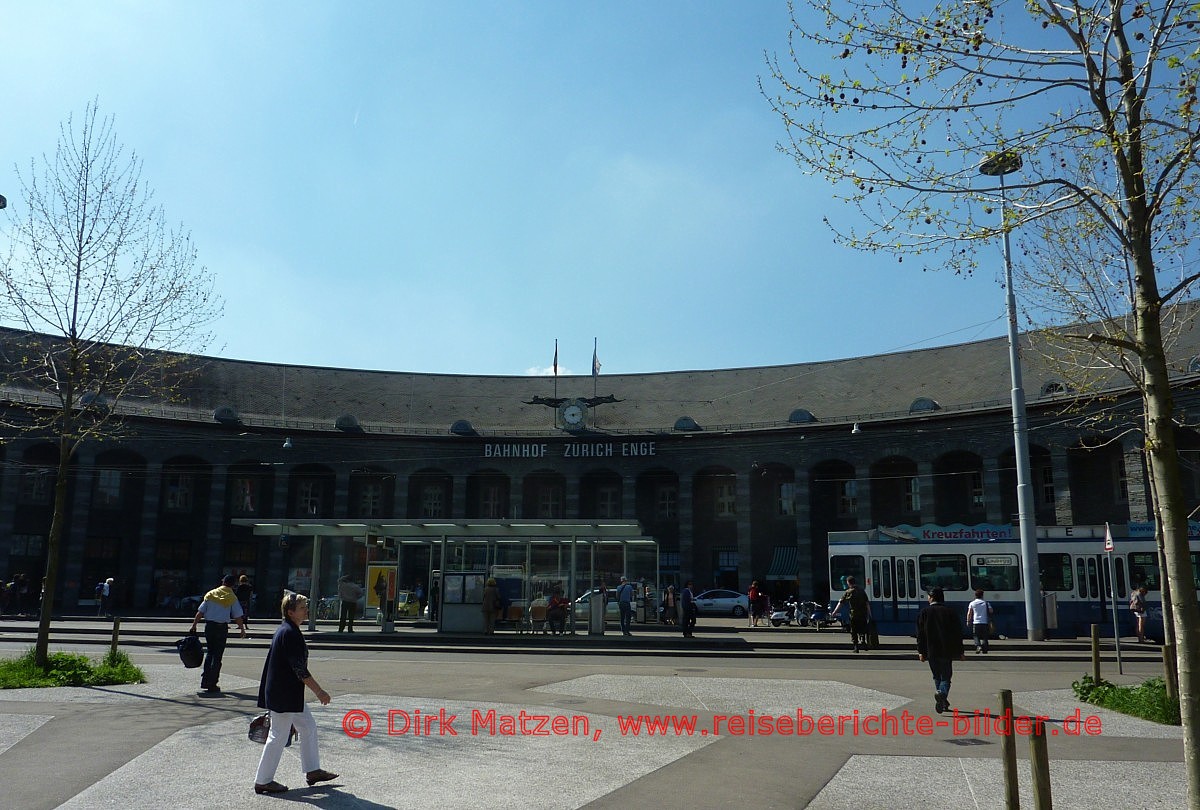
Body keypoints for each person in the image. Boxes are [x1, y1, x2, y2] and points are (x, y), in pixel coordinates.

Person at [252, 591, 338, 795]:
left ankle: (313, 770)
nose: (306, 610)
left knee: (307, 727)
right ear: (291, 612)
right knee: (278, 735)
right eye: (302, 608)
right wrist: (320, 692)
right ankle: (263, 781)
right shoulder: (289, 633)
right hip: (284, 694)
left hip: (287, 693)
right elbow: (300, 669)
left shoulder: (287, 630)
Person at [189, 574, 247, 694]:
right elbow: (237, 615)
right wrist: (242, 629)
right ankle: (212, 683)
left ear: (222, 581)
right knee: (217, 655)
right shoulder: (232, 597)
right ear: (233, 585)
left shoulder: (211, 594)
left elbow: (200, 612)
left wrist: (194, 624)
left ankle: (205, 680)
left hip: (209, 626)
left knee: (210, 653)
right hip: (221, 628)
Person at [917, 587, 966, 714]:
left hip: (931, 651)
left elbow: (920, 634)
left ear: (932, 597)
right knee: (946, 677)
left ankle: (942, 701)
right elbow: (957, 633)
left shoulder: (924, 612)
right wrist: (961, 651)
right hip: (946, 650)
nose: (927, 598)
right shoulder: (950, 612)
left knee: (936, 675)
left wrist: (921, 652)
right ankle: (942, 694)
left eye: (928, 596)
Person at [831, 575, 873, 652]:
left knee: (853, 630)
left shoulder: (848, 592)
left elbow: (841, 603)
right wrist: (869, 614)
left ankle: (856, 647)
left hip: (853, 614)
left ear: (848, 583)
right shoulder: (861, 591)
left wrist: (834, 612)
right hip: (862, 614)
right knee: (863, 628)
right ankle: (863, 640)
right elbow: (867, 603)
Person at [966, 588, 993, 654]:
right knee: (985, 636)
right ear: (982, 595)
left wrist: (968, 621)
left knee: (976, 635)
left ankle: (978, 646)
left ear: (975, 595)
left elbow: (969, 613)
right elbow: (991, 611)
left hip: (976, 622)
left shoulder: (972, 603)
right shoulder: (986, 603)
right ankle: (985, 649)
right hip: (985, 622)